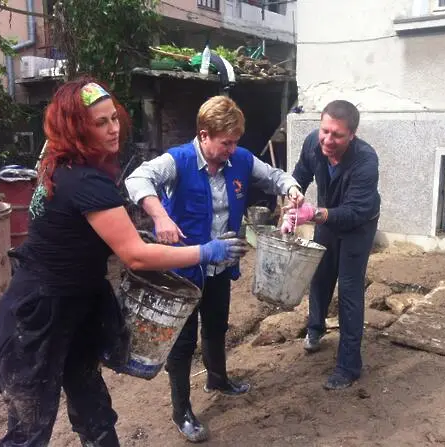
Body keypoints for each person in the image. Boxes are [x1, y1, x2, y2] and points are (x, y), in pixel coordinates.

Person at [0, 79, 248, 447]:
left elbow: (74, 233)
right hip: (38, 319)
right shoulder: (86, 181)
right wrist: (207, 252)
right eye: (100, 122)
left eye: (114, 118)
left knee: (94, 411)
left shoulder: (58, 165)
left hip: (74, 311)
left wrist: (131, 235)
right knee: (28, 433)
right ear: (77, 128)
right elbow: (135, 256)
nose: (113, 129)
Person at [125, 95, 303, 442]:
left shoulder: (240, 160)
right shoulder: (178, 160)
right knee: (183, 340)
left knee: (218, 325)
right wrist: (160, 215)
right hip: (184, 271)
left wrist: (292, 188)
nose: (232, 149)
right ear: (204, 135)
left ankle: (217, 378)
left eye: (236, 142)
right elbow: (137, 180)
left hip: (220, 265)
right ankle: (182, 411)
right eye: (226, 142)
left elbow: (274, 176)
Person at [282, 100, 380, 390]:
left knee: (349, 289)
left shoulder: (366, 161)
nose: (328, 139)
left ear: (352, 134)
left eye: (337, 135)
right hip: (326, 219)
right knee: (321, 274)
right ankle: (315, 328)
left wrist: (313, 214)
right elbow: (299, 176)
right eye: (325, 130)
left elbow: (354, 212)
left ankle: (349, 366)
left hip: (358, 225)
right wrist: (291, 204)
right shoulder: (314, 142)